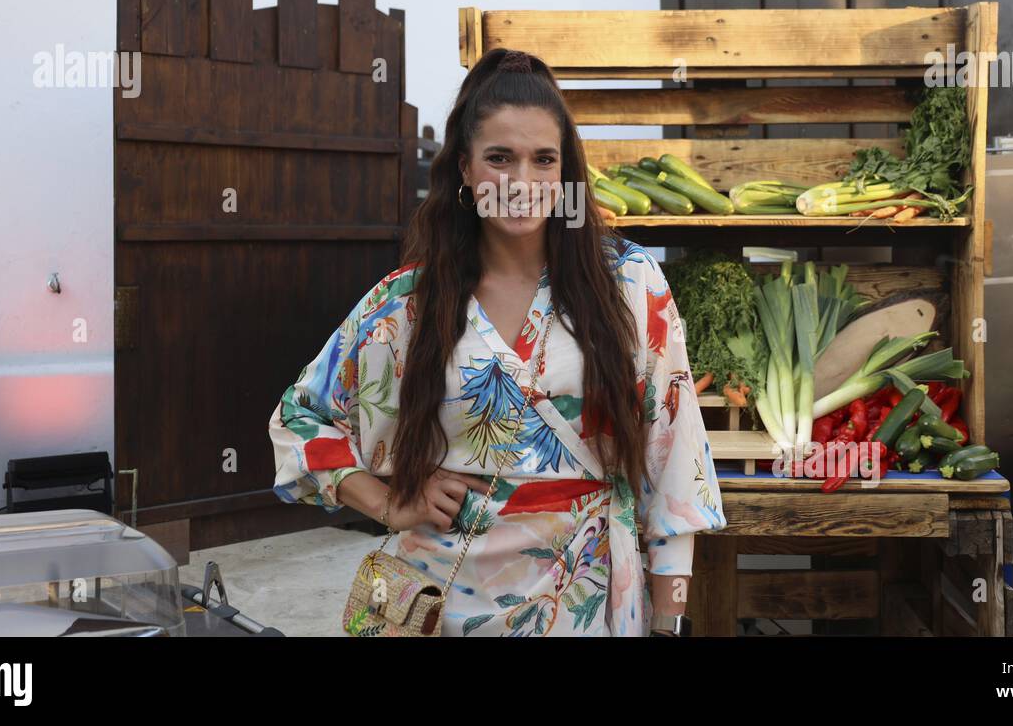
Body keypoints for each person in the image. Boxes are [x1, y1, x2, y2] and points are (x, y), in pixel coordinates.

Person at [267, 46, 726, 636]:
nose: (522, 182)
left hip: (585, 606)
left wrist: (669, 620)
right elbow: (299, 419)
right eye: (499, 158)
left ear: (565, 174)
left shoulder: (630, 285)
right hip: (439, 602)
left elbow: (675, 466)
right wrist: (387, 504)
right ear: (464, 169)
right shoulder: (409, 301)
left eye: (543, 160)